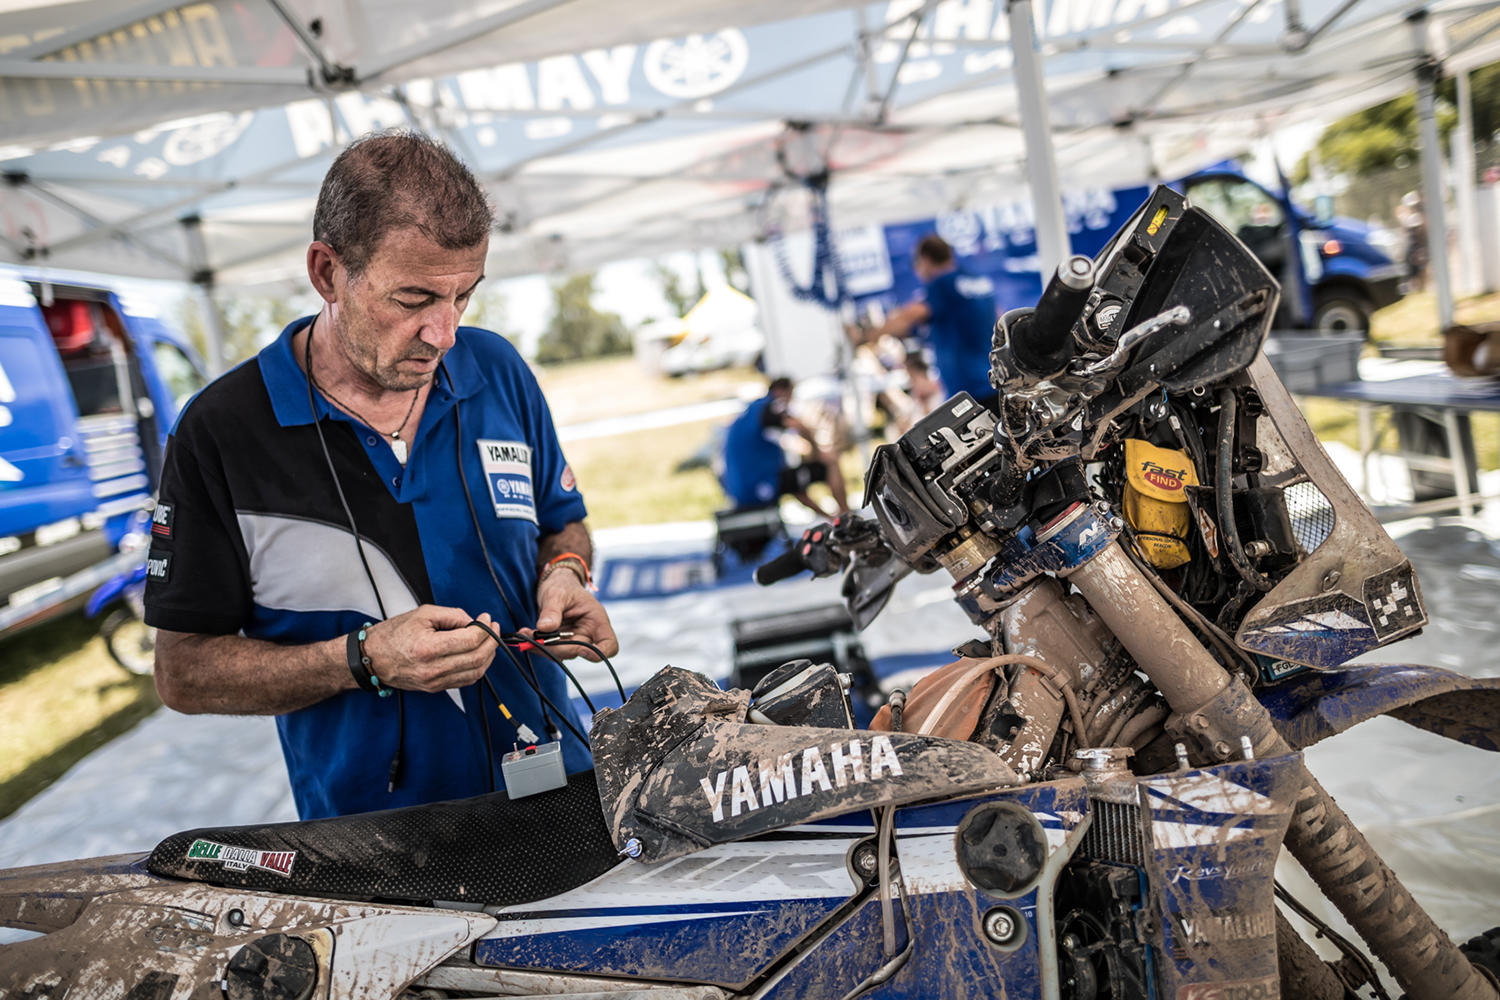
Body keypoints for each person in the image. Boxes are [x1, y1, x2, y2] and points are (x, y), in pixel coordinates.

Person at [144, 130, 618, 819]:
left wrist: (567, 574)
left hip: (559, 791)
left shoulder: (497, 370)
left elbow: (562, 521)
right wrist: (359, 660)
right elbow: (182, 673)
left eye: (464, 296)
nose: (444, 333)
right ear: (327, 271)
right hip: (375, 838)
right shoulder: (221, 432)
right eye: (413, 299)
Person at [858, 235, 999, 407]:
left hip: (970, 388)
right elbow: (999, 316)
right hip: (992, 377)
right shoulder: (977, 279)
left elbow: (909, 316)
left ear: (924, 260)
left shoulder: (942, 284)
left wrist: (866, 336)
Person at [720, 377, 850, 518]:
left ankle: (832, 519)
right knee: (829, 464)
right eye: (791, 395)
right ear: (781, 391)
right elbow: (799, 426)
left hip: (741, 487)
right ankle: (846, 515)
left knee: (794, 483)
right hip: (759, 483)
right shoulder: (771, 406)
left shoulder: (753, 409)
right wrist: (818, 450)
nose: (791, 401)